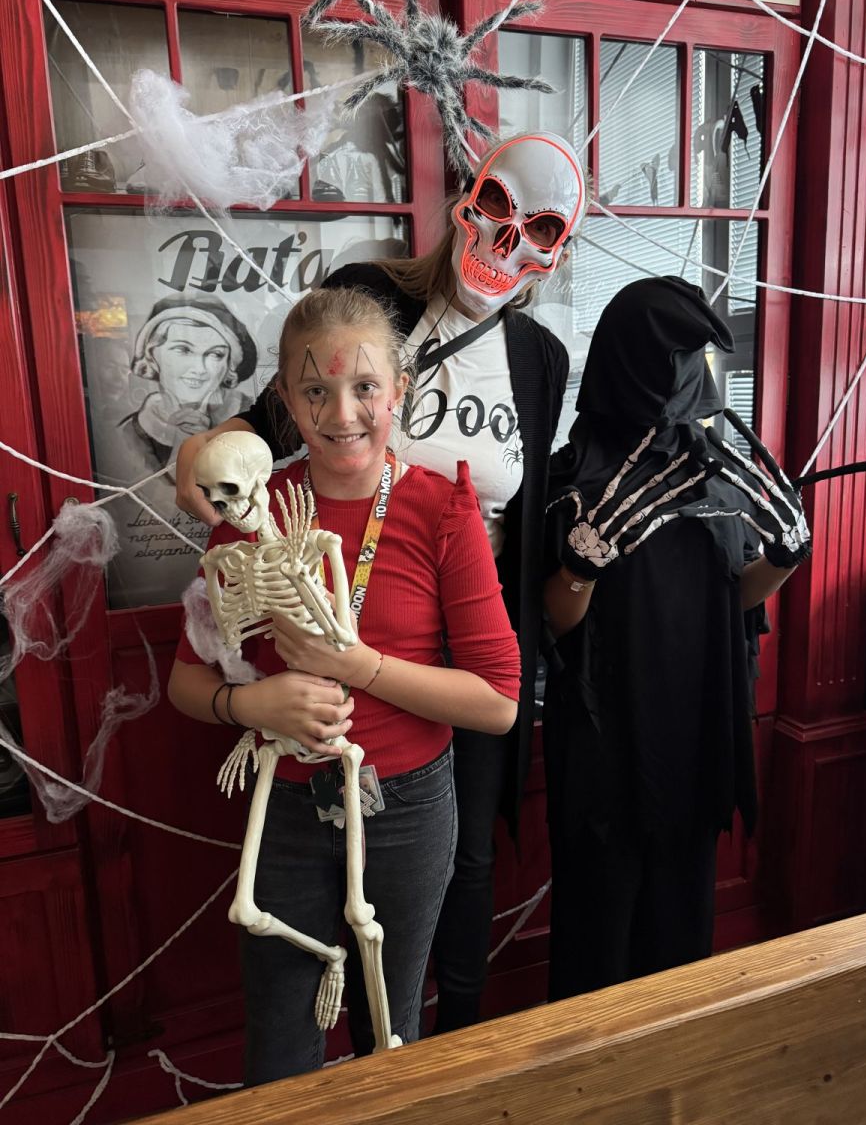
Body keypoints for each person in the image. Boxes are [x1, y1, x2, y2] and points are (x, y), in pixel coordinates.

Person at [174, 131, 586, 1032]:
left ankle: (445, 1056)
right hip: (341, 590)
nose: (507, 241)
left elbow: (528, 513)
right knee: (325, 870)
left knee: (462, 861)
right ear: (465, 202)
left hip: (465, 617)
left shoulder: (541, 359)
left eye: (541, 230)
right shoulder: (372, 294)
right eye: (497, 209)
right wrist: (202, 450)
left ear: (559, 252)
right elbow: (279, 409)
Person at [168, 286, 520, 1083]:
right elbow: (186, 682)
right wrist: (248, 703)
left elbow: (499, 701)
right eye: (316, 391)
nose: (343, 413)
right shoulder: (248, 513)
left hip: (408, 807)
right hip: (286, 803)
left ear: (399, 390)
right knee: (280, 1043)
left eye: (365, 387)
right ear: (286, 401)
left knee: (390, 1030)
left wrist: (359, 667)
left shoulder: (443, 509)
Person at [541, 276, 808, 1000]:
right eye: (676, 356)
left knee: (682, 935)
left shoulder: (715, 471)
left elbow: (734, 600)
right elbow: (553, 625)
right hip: (605, 738)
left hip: (695, 727)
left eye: (697, 359)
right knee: (599, 936)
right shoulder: (573, 475)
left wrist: (785, 557)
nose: (690, 376)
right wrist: (582, 563)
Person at [119, 293, 256, 473]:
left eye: (216, 354)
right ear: (152, 354)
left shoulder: (251, 417)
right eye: (183, 350)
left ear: (229, 365)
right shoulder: (130, 433)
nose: (200, 369)